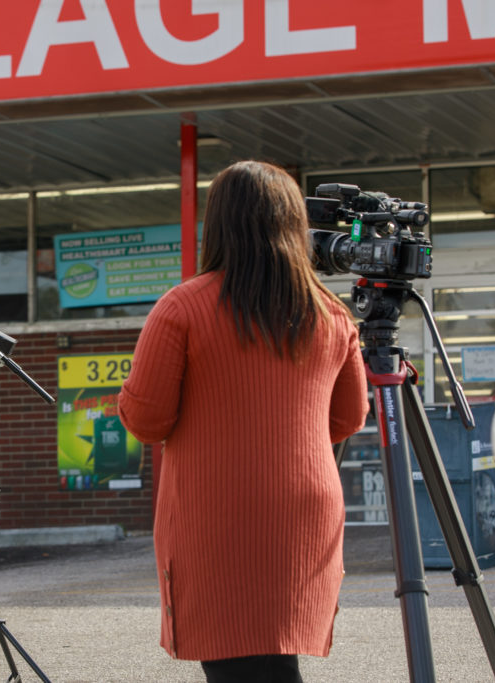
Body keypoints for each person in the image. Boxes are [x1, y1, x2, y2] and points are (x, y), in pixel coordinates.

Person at [118, 161, 369, 683]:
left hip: (218, 509)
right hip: (306, 508)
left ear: (221, 222)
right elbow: (350, 416)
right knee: (276, 657)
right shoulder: (331, 312)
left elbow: (146, 419)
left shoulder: (182, 306)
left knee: (235, 662)